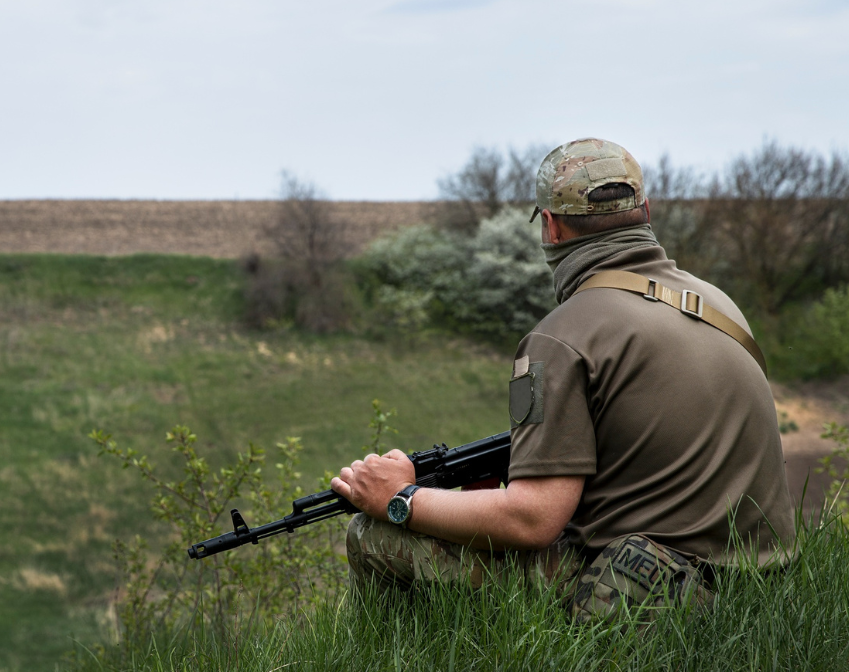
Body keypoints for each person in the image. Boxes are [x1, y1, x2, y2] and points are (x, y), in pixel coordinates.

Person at [330, 138, 796, 620]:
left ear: (550, 227)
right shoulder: (719, 304)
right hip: (761, 586)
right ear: (646, 210)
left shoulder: (559, 338)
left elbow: (533, 518)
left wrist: (401, 498)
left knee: (372, 536)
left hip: (648, 594)